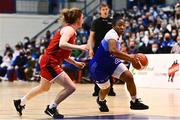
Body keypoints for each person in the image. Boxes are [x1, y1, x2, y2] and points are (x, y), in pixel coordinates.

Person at [13, 8, 88, 119]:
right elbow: (62, 44)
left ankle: (20, 102)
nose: (83, 19)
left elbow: (63, 54)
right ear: (77, 19)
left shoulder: (70, 31)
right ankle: (52, 108)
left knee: (44, 88)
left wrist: (75, 63)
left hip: (48, 60)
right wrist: (79, 47)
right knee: (71, 87)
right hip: (50, 62)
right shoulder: (69, 30)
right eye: (82, 17)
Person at [89, 17, 149, 112]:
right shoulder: (111, 34)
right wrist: (130, 58)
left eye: (123, 25)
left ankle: (134, 101)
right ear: (113, 26)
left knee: (129, 77)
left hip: (111, 62)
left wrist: (129, 58)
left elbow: (114, 53)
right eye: (119, 25)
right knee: (106, 88)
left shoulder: (118, 35)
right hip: (99, 66)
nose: (122, 27)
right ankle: (101, 101)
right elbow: (113, 51)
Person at [88, 3, 116, 96]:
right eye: (103, 9)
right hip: (98, 49)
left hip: (110, 49)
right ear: (100, 11)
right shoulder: (95, 22)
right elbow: (91, 36)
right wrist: (90, 49)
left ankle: (110, 89)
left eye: (106, 9)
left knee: (110, 68)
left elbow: (116, 36)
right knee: (97, 69)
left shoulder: (112, 22)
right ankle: (96, 89)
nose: (105, 11)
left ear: (109, 10)